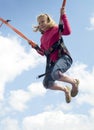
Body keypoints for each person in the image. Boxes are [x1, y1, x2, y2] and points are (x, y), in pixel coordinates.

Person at [30, 7, 79, 103]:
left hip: (64, 58)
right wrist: (35, 47)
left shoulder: (55, 29)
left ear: (48, 21)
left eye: (43, 21)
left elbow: (68, 32)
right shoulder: (42, 38)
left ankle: (74, 83)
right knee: (47, 84)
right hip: (53, 63)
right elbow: (43, 53)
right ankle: (65, 90)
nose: (41, 24)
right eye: (39, 23)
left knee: (56, 74)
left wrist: (64, 16)